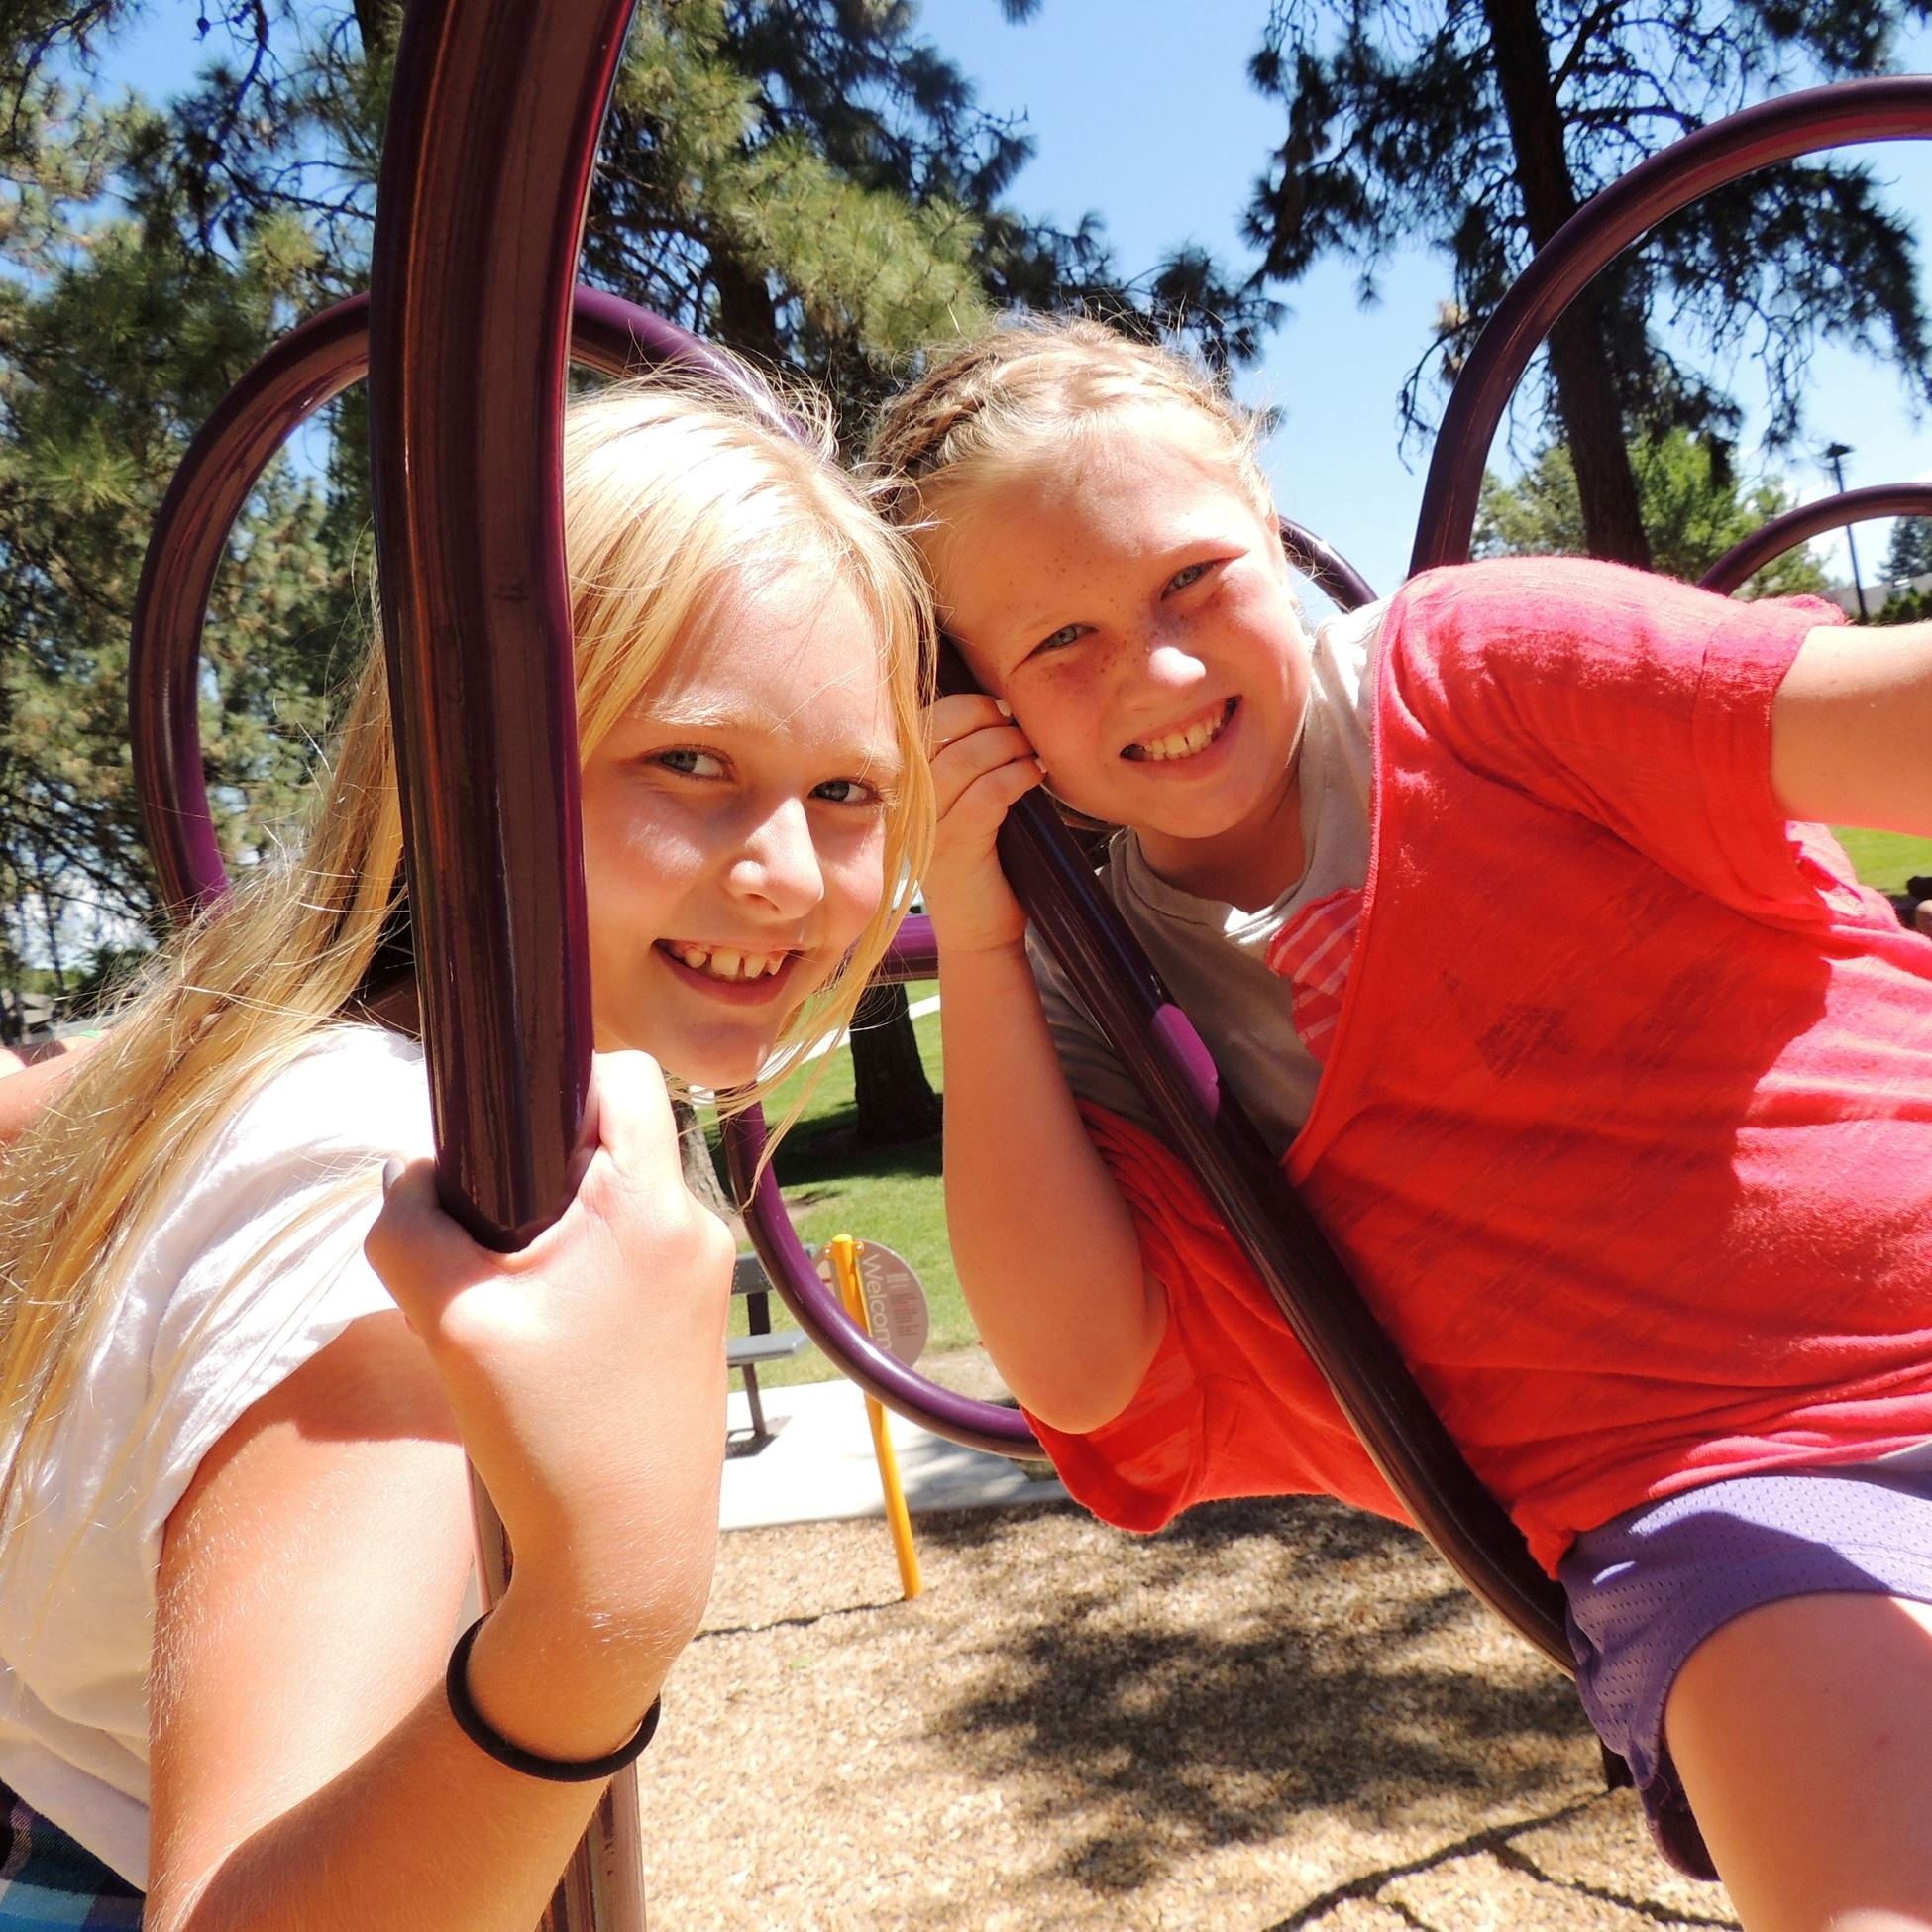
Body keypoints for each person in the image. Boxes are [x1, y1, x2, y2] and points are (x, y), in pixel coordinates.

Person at [871, 315, 1932, 1931]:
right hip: (1729, 1490)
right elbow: (1081, 1367)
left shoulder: (1473, 667)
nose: (1156, 668)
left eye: (1187, 580)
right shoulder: (1111, 1008)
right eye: (1058, 645)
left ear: (1263, 518)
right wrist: (983, 914)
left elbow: (1872, 716)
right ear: (984, 709)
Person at [0, 366, 933, 1930]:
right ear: (473, 762)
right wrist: (598, 1615)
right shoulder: (405, 1199)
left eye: (845, 791)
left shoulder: (287, 1064)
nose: (784, 870)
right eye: (691, 762)